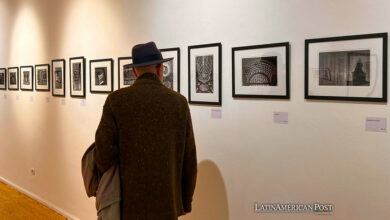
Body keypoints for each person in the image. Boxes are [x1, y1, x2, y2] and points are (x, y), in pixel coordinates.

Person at [94, 41, 197, 220]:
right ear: (160, 69)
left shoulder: (116, 101)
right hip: (168, 205)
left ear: (135, 71)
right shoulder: (179, 103)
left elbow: (103, 157)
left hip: (128, 205)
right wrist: (185, 201)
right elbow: (189, 160)